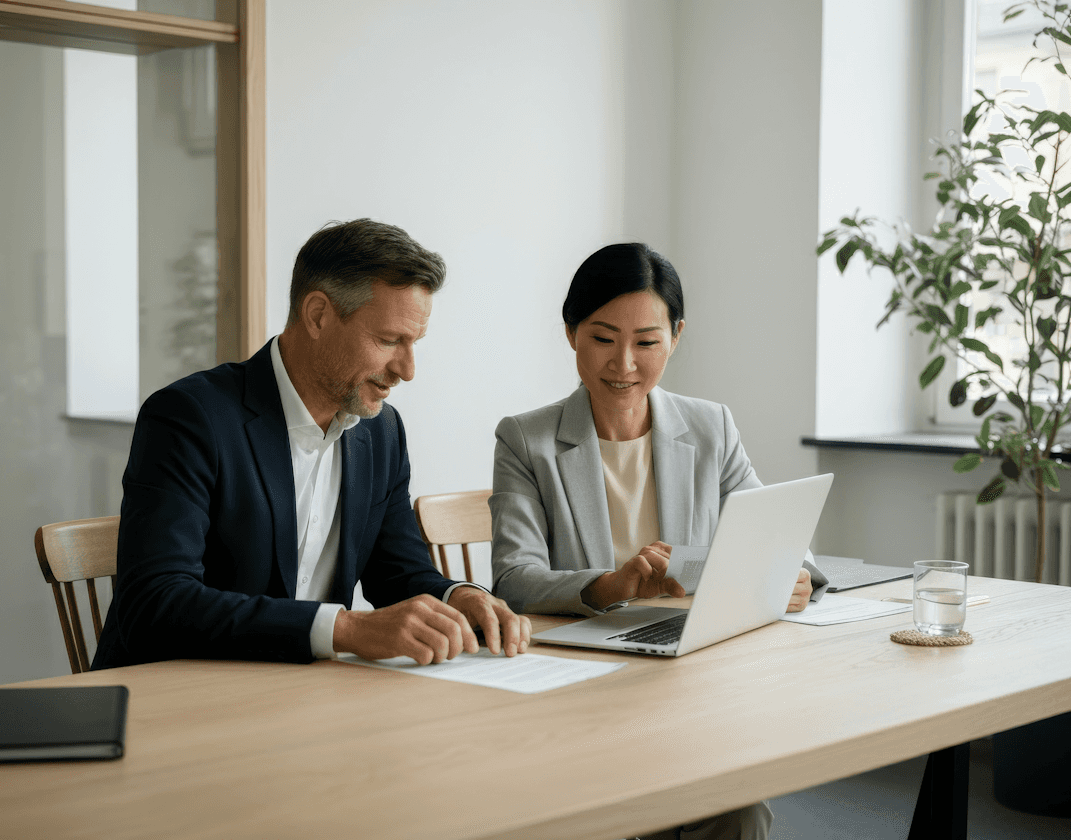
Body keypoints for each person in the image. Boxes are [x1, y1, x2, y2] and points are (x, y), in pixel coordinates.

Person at [489, 242, 825, 840]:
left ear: (676, 336)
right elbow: (513, 579)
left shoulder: (710, 426)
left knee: (739, 810)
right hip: (578, 683)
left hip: (689, 675)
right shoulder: (526, 439)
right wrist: (608, 584)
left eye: (647, 342)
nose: (623, 364)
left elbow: (779, 534)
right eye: (601, 338)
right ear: (570, 333)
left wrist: (790, 574)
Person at [93, 219, 530, 670]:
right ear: (318, 315)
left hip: (304, 692)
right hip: (172, 696)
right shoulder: (189, 417)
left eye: (414, 342)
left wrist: (457, 597)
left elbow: (397, 572)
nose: (407, 369)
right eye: (387, 340)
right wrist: (346, 629)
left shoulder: (381, 432)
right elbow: (155, 603)